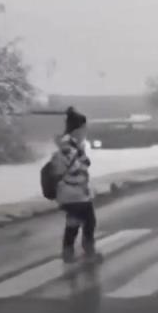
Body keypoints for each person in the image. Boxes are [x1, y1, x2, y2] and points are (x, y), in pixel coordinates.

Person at [50, 107, 102, 267]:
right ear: (76, 129)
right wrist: (81, 161)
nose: (84, 131)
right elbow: (69, 169)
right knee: (85, 221)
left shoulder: (75, 146)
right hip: (72, 191)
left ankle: (70, 252)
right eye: (82, 128)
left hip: (76, 192)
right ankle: (84, 252)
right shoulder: (67, 148)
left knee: (78, 222)